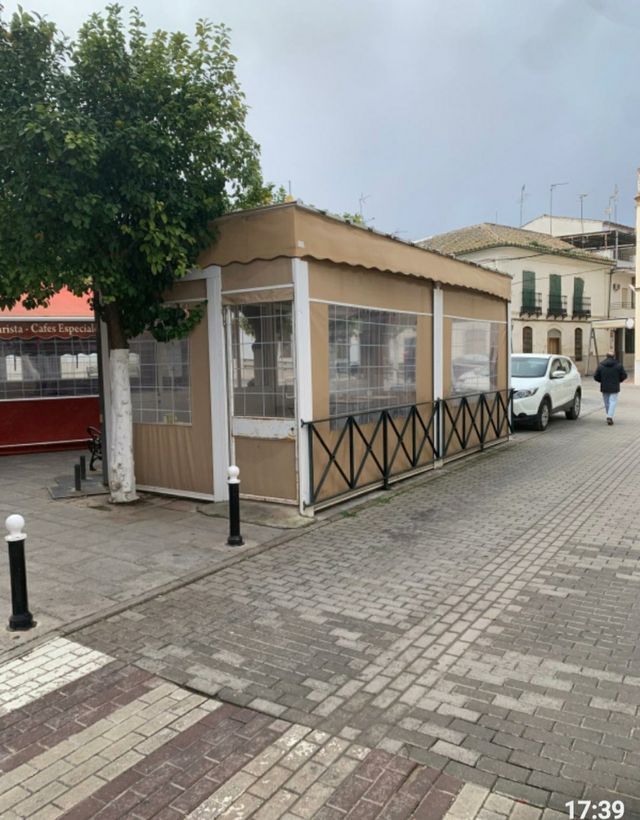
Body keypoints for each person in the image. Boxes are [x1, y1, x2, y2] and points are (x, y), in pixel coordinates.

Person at [594, 350, 627, 425]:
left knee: (606, 402)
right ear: (614, 357)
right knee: (613, 401)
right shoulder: (619, 365)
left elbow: (596, 376)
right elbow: (624, 375)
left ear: (606, 356)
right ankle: (609, 416)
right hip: (614, 387)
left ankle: (609, 415)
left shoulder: (601, 365)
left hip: (604, 387)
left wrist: (601, 381)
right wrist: (619, 380)